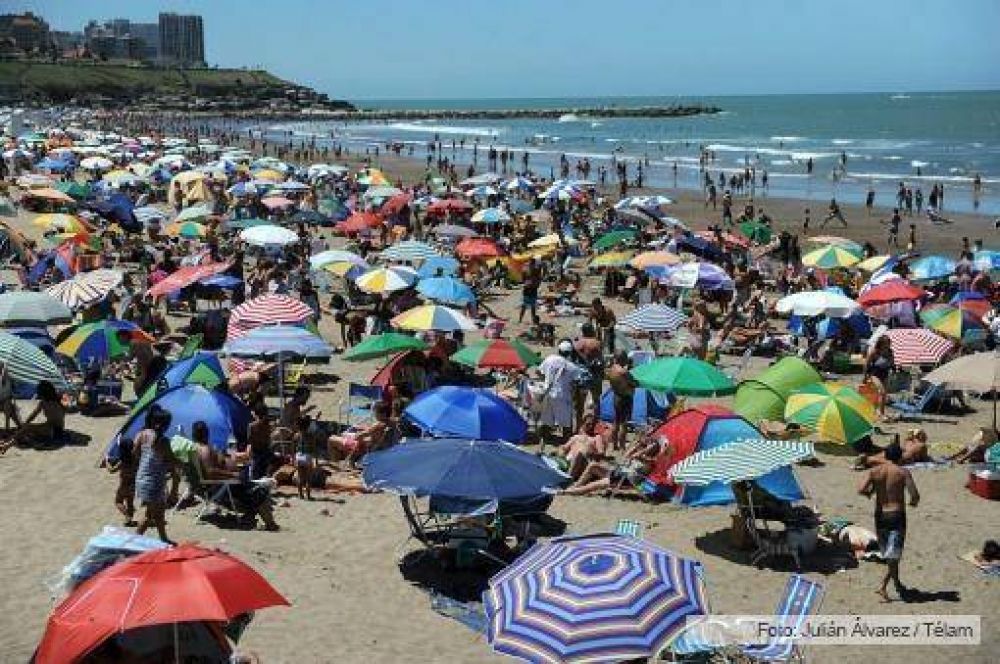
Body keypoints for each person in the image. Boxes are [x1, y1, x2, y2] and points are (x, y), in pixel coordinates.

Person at [858, 443, 920, 602]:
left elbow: (861, 489)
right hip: (897, 515)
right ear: (900, 456)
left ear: (885, 456)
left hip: (880, 516)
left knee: (889, 553)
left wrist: (870, 493)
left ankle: (897, 583)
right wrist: (913, 503)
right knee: (895, 555)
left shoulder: (875, 471)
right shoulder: (903, 472)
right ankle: (883, 586)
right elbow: (914, 495)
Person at [133, 406, 179, 544]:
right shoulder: (164, 441)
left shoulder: (142, 434)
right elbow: (172, 462)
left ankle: (164, 538)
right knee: (149, 516)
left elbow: (135, 453)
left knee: (158, 513)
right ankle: (133, 541)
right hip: (155, 482)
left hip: (142, 478)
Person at [535, 340, 583, 448]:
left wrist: (547, 379)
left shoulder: (550, 359)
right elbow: (577, 382)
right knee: (566, 422)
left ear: (559, 350)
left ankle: (545, 439)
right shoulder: (572, 367)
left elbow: (538, 372)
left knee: (547, 419)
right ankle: (566, 443)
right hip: (562, 395)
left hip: (548, 392)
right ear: (570, 353)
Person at [0, 380, 66, 452]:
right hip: (54, 429)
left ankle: (7, 443)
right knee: (27, 431)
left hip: (54, 430)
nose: (38, 392)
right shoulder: (57, 401)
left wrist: (25, 425)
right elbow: (33, 416)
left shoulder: (45, 403)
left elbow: (33, 416)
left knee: (27, 429)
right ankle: (8, 442)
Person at [328, 401, 392, 468]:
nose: (374, 414)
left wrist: (348, 434)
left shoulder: (378, 425)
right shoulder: (391, 423)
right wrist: (364, 429)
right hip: (380, 450)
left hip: (364, 449)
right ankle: (345, 461)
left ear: (383, 414)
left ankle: (335, 465)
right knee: (345, 436)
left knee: (332, 439)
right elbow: (372, 432)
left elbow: (358, 437)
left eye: (376, 412)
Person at [553, 413, 608, 480]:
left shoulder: (596, 438)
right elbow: (564, 448)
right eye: (588, 424)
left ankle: (568, 479)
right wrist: (560, 450)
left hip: (584, 463)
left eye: (592, 424)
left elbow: (601, 453)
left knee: (581, 452)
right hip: (569, 461)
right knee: (557, 452)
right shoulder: (576, 437)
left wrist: (590, 453)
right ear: (583, 424)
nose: (590, 426)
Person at [607, 352, 637, 451]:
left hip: (616, 396)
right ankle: (622, 447)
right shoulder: (623, 372)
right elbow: (634, 382)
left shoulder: (611, 369)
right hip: (625, 397)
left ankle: (614, 445)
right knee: (624, 423)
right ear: (623, 359)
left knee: (616, 421)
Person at [863, 335, 894, 419]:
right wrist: (865, 376)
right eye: (886, 343)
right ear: (881, 343)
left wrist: (893, 366)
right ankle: (881, 413)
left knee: (883, 394)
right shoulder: (875, 352)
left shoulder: (890, 352)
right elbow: (866, 364)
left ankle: (880, 412)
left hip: (885, 374)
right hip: (874, 374)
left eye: (889, 343)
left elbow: (892, 364)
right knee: (882, 392)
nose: (888, 345)